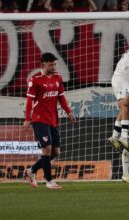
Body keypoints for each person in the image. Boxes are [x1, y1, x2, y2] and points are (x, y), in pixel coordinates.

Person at [23, 52, 76, 189]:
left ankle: (31, 171)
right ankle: (49, 181)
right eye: (51, 64)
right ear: (44, 64)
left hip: (53, 119)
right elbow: (29, 101)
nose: (54, 66)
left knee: (55, 152)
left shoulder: (58, 77)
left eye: (55, 64)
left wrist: (69, 112)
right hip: (39, 119)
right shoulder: (35, 80)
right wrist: (27, 119)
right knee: (46, 149)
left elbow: (61, 98)